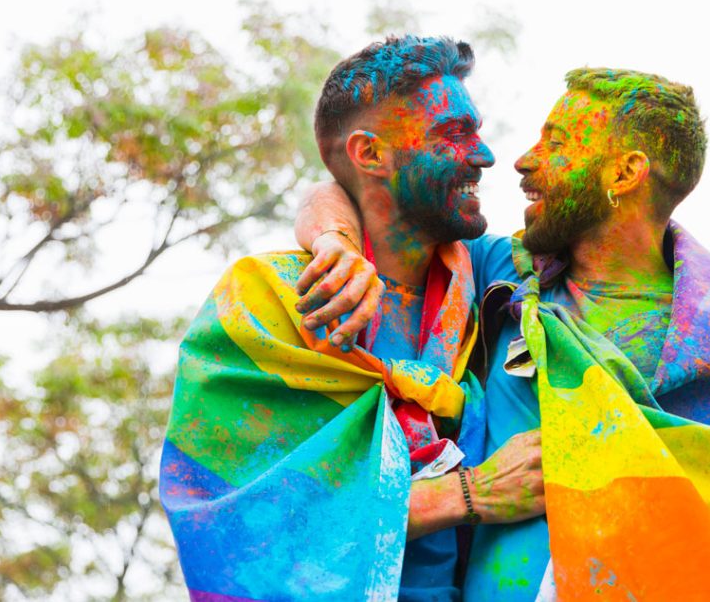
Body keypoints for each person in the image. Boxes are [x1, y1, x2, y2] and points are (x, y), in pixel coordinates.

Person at [294, 68, 710, 600]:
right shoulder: (502, 281)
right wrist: (335, 242)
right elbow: (347, 184)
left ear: (624, 173)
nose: (522, 161)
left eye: (557, 143)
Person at [159, 36, 545, 602]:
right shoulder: (265, 301)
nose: (485, 157)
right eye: (454, 135)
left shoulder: (494, 283)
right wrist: (468, 493)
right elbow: (232, 533)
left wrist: (332, 229)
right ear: (370, 154)